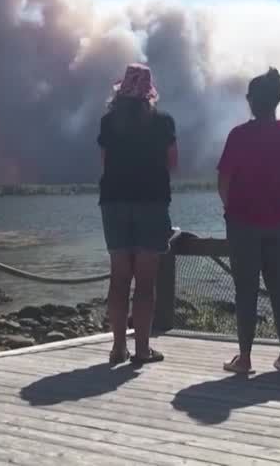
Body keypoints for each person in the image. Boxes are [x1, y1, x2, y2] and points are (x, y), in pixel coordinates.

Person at [217, 67, 280, 374]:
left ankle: (245, 356)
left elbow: (224, 180)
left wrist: (232, 209)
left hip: (243, 223)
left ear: (253, 100)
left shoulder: (239, 135)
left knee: (246, 290)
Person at [98, 63, 177, 366]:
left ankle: (118, 348)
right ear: (148, 93)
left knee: (119, 278)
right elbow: (173, 161)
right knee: (145, 281)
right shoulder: (162, 122)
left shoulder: (108, 122)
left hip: (114, 202)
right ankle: (142, 349)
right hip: (152, 203)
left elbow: (105, 162)